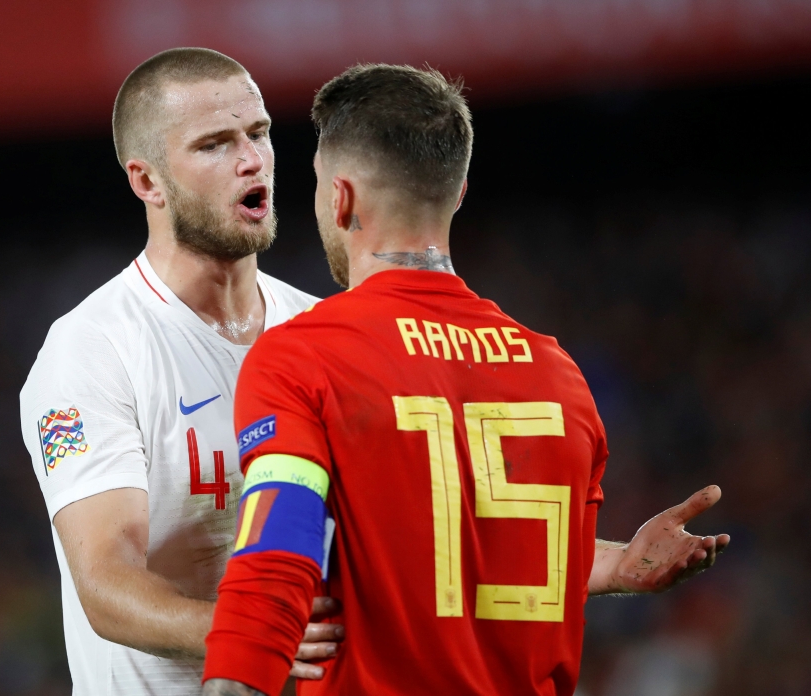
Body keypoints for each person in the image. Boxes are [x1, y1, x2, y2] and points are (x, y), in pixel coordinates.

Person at [202, 64, 730, 696]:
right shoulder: (559, 377)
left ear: (340, 196)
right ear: (456, 193)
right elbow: (469, 545)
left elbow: (276, 560)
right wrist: (614, 562)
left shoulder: (303, 357)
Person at [19, 48, 342, 695]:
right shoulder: (92, 350)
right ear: (148, 181)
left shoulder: (327, 332)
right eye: (215, 144)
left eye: (259, 133)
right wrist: (255, 626)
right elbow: (107, 586)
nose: (252, 160)